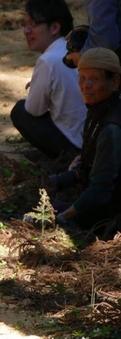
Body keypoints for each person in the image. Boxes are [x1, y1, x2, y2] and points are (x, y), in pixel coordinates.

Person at [53, 47, 121, 238]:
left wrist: (63, 217)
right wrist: (55, 182)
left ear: (114, 81)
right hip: (98, 203)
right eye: (82, 78)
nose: (86, 85)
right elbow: (88, 167)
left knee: (37, 217)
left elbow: (100, 191)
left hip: (109, 218)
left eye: (95, 79)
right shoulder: (98, 109)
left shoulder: (112, 128)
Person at [10, 0, 86, 158]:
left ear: (54, 27)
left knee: (20, 111)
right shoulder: (80, 48)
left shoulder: (48, 60)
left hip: (77, 145)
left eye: (33, 25)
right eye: (25, 24)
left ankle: (65, 159)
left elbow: (34, 110)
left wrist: (37, 89)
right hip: (98, 138)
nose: (26, 31)